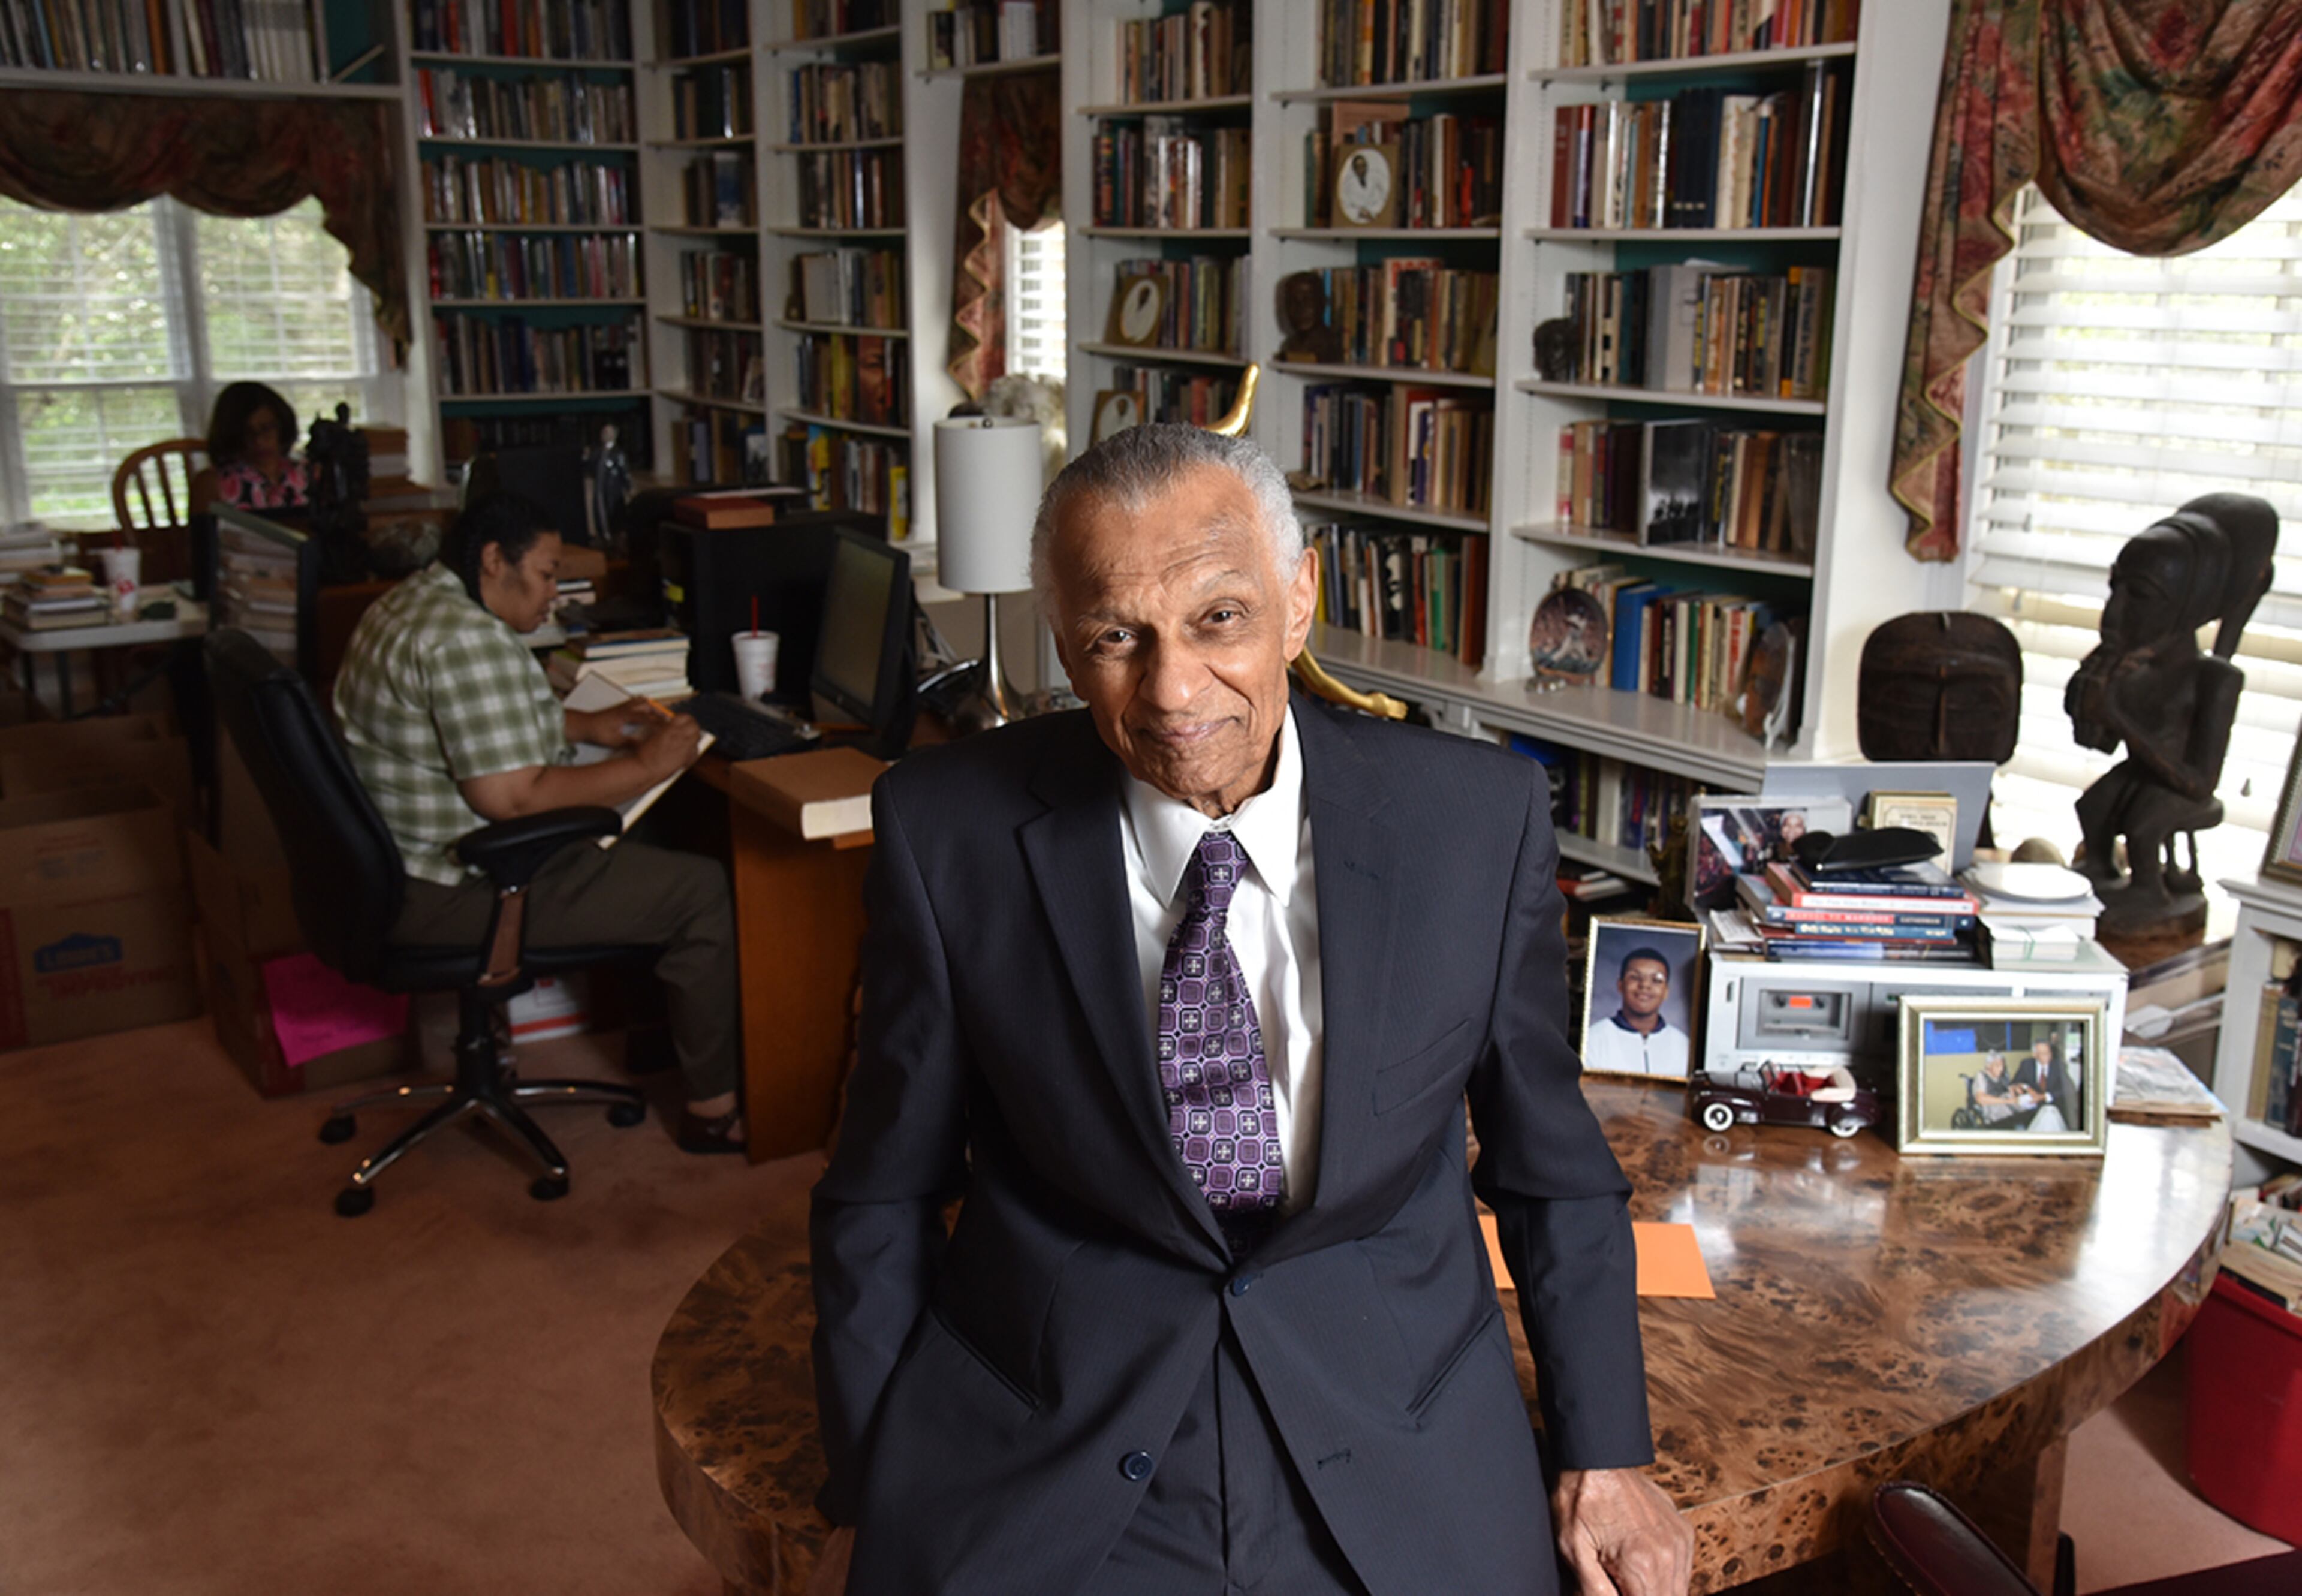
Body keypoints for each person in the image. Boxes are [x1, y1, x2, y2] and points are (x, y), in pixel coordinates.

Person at [809, 425, 1691, 1596]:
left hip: (1398, 1417)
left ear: (1298, 595)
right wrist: (874, 1479)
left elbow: (1550, 1166)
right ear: (1064, 646)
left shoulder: (1476, 822)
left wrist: (1605, 1450)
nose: (1171, 689)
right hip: (1057, 1427)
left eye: (1218, 617)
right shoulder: (945, 830)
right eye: (1115, 636)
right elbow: (884, 1190)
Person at [331, 494, 745, 1153]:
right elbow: (515, 800)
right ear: (496, 560)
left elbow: (467, 722)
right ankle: (714, 1111)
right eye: (549, 574)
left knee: (661, 840)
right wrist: (646, 762)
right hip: (464, 886)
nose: (556, 592)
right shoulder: (465, 639)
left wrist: (586, 726)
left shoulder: (417, 602)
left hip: (393, 869)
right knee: (701, 893)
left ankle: (655, 1044)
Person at [1581, 946, 1693, 1080]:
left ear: (1666, 991)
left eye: (1656, 980)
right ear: (1620, 985)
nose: (1645, 985)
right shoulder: (1593, 1040)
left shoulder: (1683, 1045)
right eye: (1635, 977)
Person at [205, 381, 311, 510]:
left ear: (283, 426)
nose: (259, 440)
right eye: (247, 432)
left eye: (267, 428)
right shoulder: (212, 484)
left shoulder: (309, 475)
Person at [2014, 1038, 2074, 1132]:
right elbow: (2016, 1082)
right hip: (2031, 1108)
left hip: (2053, 1106)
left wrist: (2044, 1096)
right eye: (2043, 1053)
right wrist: (2025, 1087)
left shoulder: (2058, 1065)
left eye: (2048, 1052)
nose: (2047, 1056)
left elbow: (2069, 1087)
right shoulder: (2026, 1064)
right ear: (2035, 1055)